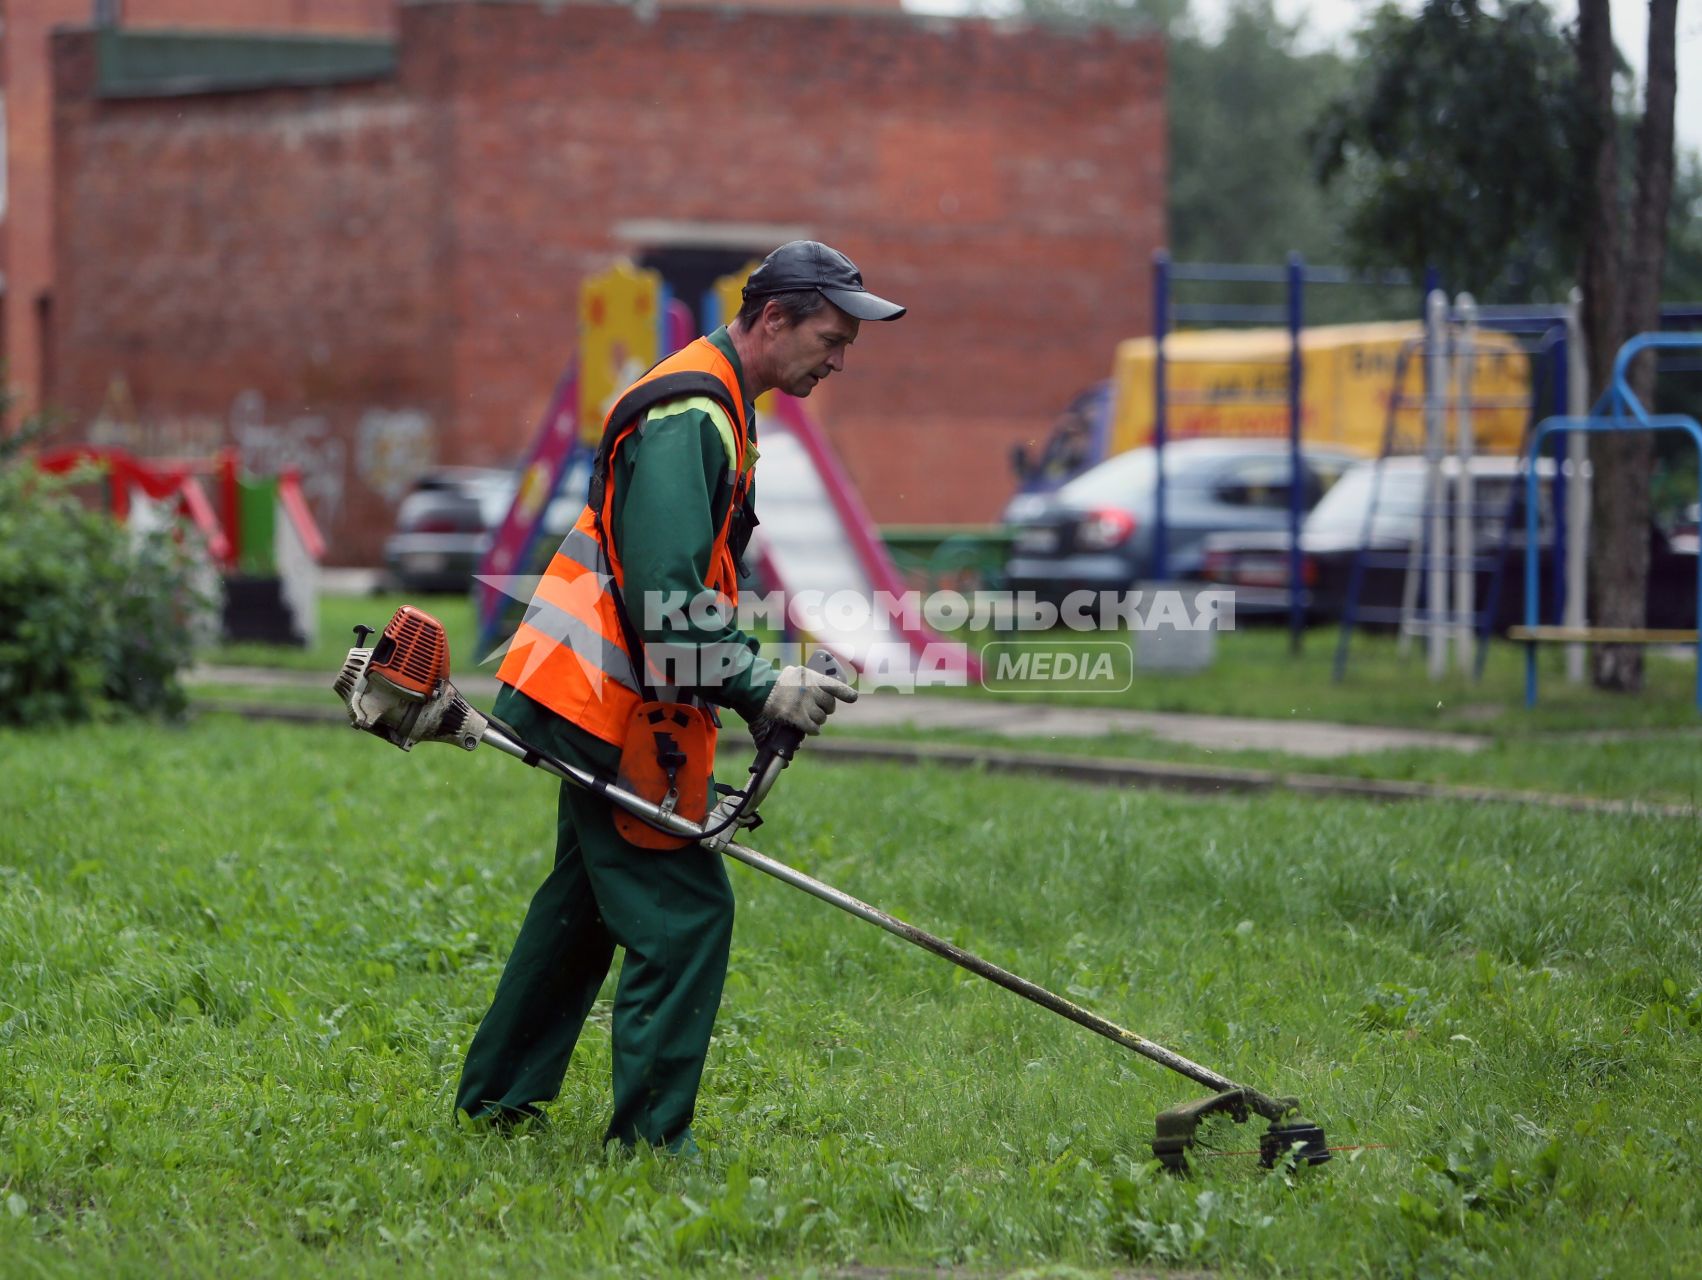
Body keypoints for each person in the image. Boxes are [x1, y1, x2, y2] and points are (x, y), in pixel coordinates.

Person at [454, 241, 906, 1154]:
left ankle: (499, 1101)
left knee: (583, 905)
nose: (840, 357)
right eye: (831, 336)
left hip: (579, 690)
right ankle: (653, 1147)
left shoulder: (721, 405)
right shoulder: (690, 416)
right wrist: (757, 682)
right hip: (599, 700)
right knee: (684, 912)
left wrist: (752, 680)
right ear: (773, 319)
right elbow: (665, 598)